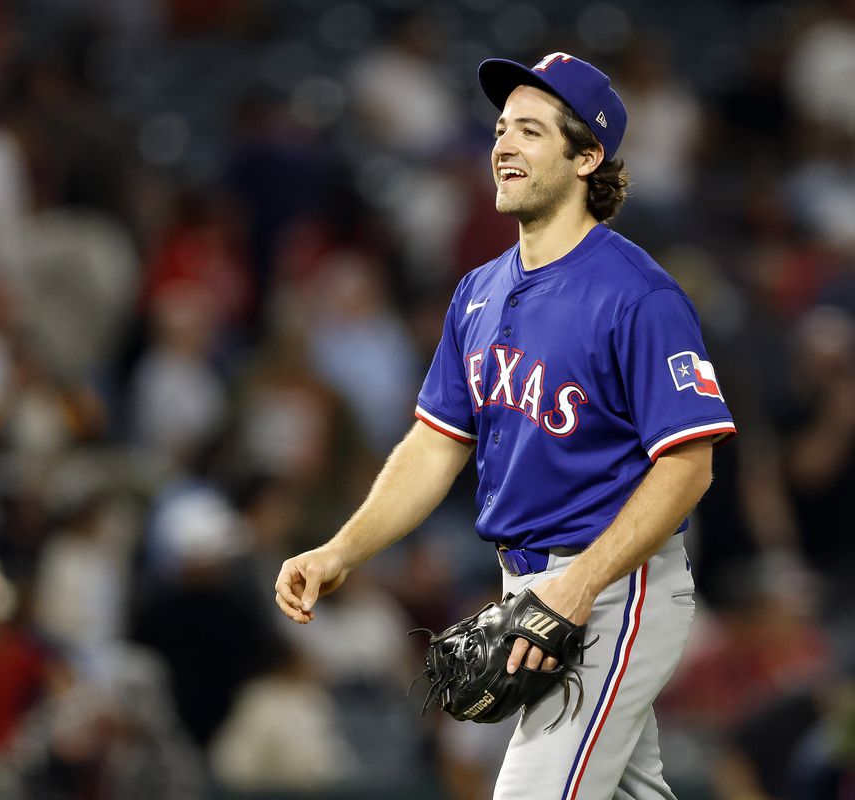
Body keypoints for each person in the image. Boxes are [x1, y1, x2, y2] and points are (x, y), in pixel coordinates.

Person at [276, 52, 737, 800]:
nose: (504, 146)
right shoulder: (478, 293)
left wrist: (581, 584)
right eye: (499, 129)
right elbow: (433, 446)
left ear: (587, 156)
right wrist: (341, 550)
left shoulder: (639, 296)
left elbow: (690, 464)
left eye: (530, 130)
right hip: (527, 583)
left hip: (618, 583)